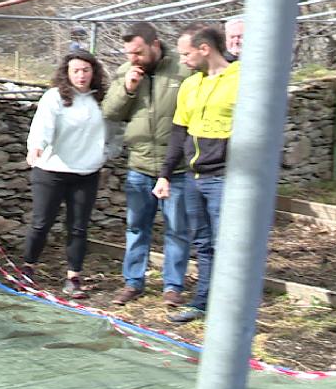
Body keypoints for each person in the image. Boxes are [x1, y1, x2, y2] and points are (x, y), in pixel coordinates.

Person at [153, 25, 240, 323]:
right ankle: (202, 302)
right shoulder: (190, 85)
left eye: (186, 54)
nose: (183, 60)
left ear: (205, 49)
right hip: (194, 177)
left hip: (226, 177)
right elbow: (179, 133)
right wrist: (165, 173)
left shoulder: (241, 79)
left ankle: (230, 308)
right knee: (202, 243)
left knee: (226, 242)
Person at [103, 22, 192, 308]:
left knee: (177, 228)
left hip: (177, 167)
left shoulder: (184, 68)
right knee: (136, 226)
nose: (134, 58)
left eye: (139, 52)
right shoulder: (124, 72)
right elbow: (110, 112)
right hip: (139, 165)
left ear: (155, 45)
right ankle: (133, 282)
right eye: (129, 53)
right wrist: (128, 89)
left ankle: (173, 287)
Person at [22, 51, 116, 298]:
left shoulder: (102, 100)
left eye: (86, 70)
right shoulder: (54, 97)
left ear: (93, 72)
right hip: (51, 170)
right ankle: (28, 267)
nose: (81, 75)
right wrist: (37, 146)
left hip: (86, 172)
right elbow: (43, 125)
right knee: (41, 223)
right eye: (76, 70)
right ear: (67, 73)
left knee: (78, 227)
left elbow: (115, 130)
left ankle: (74, 278)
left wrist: (105, 154)